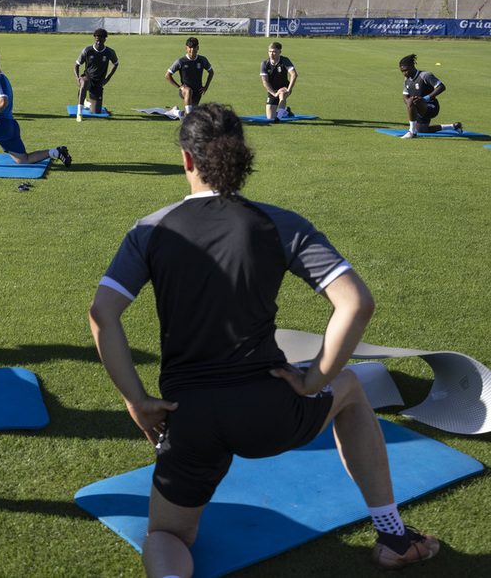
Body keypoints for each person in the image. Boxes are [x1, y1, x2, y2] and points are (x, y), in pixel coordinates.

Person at [89, 103, 440, 577]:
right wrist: (316, 379)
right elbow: (355, 303)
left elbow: (102, 317)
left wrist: (136, 400)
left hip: (187, 417)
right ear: (239, 154)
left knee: (166, 536)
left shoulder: (149, 229)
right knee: (352, 388)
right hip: (269, 413)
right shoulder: (280, 223)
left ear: (187, 159)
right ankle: (393, 536)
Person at [399, 54, 462, 139]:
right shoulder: (406, 80)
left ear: (412, 66)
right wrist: (409, 104)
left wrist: (425, 99)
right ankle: (454, 126)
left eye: (405, 70)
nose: (404, 73)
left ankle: (412, 132)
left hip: (431, 107)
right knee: (422, 130)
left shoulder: (425, 75)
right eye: (402, 71)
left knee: (411, 101)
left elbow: (441, 87)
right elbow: (405, 96)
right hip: (418, 108)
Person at [74, 28, 119, 121]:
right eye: (97, 40)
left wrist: (108, 78)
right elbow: (76, 66)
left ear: (104, 40)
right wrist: (77, 78)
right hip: (88, 78)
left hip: (99, 82)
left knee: (96, 111)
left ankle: (87, 104)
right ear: (94, 39)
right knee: (84, 82)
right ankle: (79, 113)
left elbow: (115, 63)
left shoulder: (109, 52)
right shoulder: (87, 50)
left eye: (101, 41)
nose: (98, 43)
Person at [165, 37, 213, 119]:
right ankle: (188, 117)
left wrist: (206, 87)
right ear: (186, 48)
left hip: (198, 91)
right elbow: (167, 75)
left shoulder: (202, 60)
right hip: (185, 90)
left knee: (193, 113)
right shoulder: (180, 61)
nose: (192, 50)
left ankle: (175, 112)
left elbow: (211, 72)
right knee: (188, 91)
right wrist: (178, 86)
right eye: (190, 47)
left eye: (194, 47)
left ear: (198, 48)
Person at [261, 41, 297, 121]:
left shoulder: (284, 60)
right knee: (270, 117)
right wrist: (274, 93)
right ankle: (286, 112)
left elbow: (294, 75)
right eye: (270, 51)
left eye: (274, 52)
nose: (271, 54)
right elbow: (265, 81)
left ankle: (279, 118)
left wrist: (289, 89)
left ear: (279, 52)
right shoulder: (264, 64)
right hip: (272, 90)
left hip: (284, 87)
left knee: (282, 93)